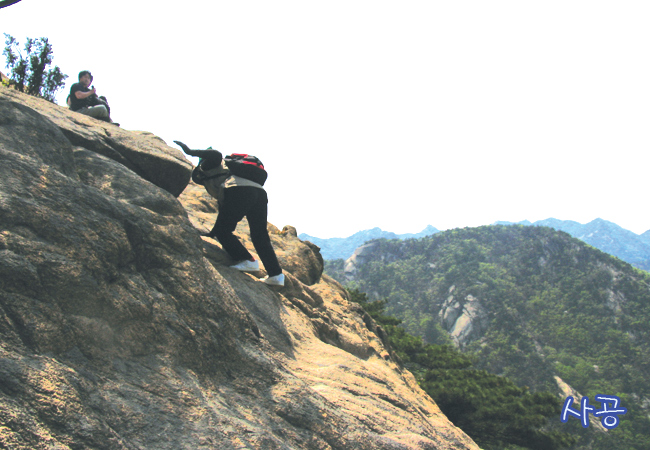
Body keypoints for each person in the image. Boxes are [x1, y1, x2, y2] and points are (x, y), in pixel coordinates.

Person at [174, 141, 285, 287]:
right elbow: (224, 212)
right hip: (259, 192)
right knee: (260, 235)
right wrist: (213, 233)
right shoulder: (224, 174)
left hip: (240, 190)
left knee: (224, 232)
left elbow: (215, 154)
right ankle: (276, 275)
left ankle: (248, 261)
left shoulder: (210, 165)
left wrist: (190, 151)